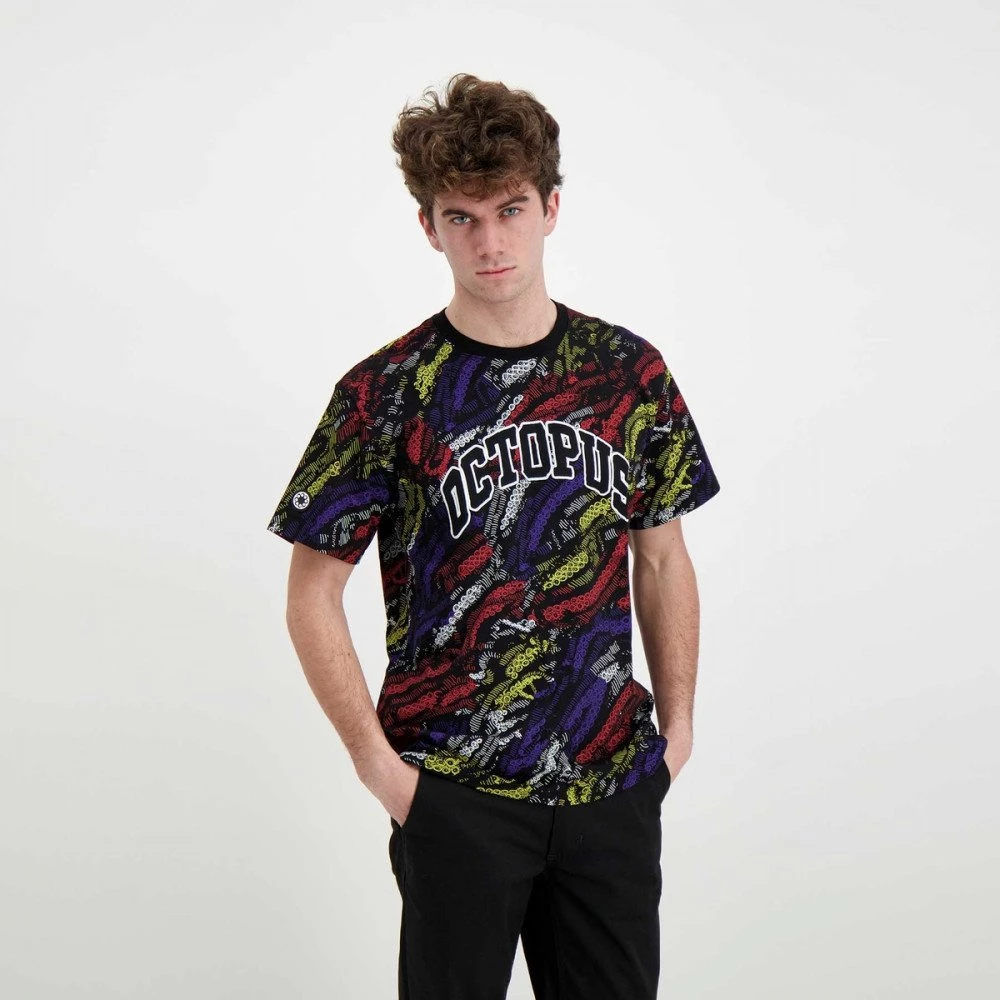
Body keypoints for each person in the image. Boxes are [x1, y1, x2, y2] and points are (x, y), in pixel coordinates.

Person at [265, 72, 721, 1000]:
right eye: (462, 217)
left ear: (551, 208)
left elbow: (663, 556)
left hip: (610, 786)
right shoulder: (385, 392)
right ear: (428, 227)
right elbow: (312, 592)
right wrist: (383, 773)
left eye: (510, 209)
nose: (490, 241)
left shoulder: (627, 373)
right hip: (454, 792)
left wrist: (675, 737)